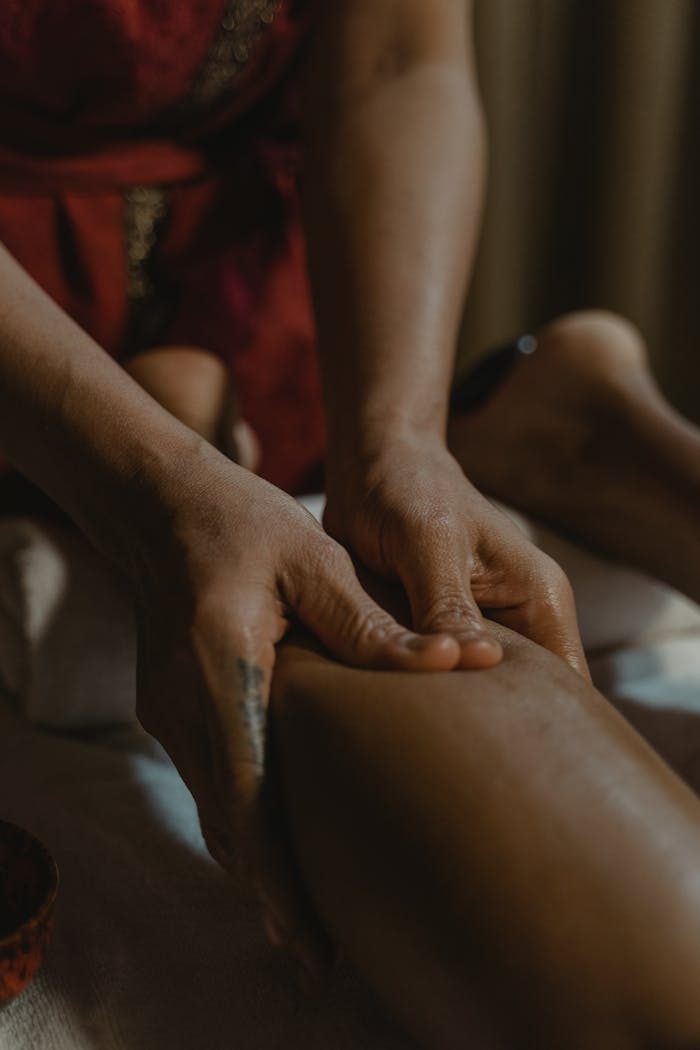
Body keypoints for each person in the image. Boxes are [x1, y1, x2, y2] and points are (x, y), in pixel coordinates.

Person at [0, 1, 696, 1041]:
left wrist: (401, 438)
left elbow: (396, 63)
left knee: (383, 575)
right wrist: (148, 494)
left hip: (253, 282)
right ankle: (207, 422)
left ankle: (216, 418)